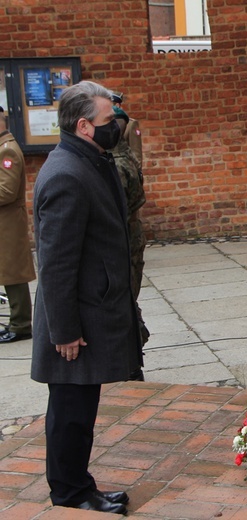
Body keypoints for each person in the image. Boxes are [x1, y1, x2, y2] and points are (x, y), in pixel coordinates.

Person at [32, 81, 142, 514]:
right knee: (71, 412)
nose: (115, 126)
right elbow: (55, 265)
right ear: (82, 127)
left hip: (89, 309)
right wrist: (65, 331)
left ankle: (75, 484)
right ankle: (70, 491)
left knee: (80, 408)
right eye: (107, 121)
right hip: (73, 321)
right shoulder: (66, 174)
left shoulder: (90, 159)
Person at [110, 103, 149, 380]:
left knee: (125, 301)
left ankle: (131, 360)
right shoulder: (117, 159)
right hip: (129, 240)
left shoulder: (120, 163)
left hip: (126, 240)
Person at [0, 106, 36, 344]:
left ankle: (21, 324)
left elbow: (7, 191)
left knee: (13, 275)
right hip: (5, 223)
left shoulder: (8, 150)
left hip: (8, 223)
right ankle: (17, 322)